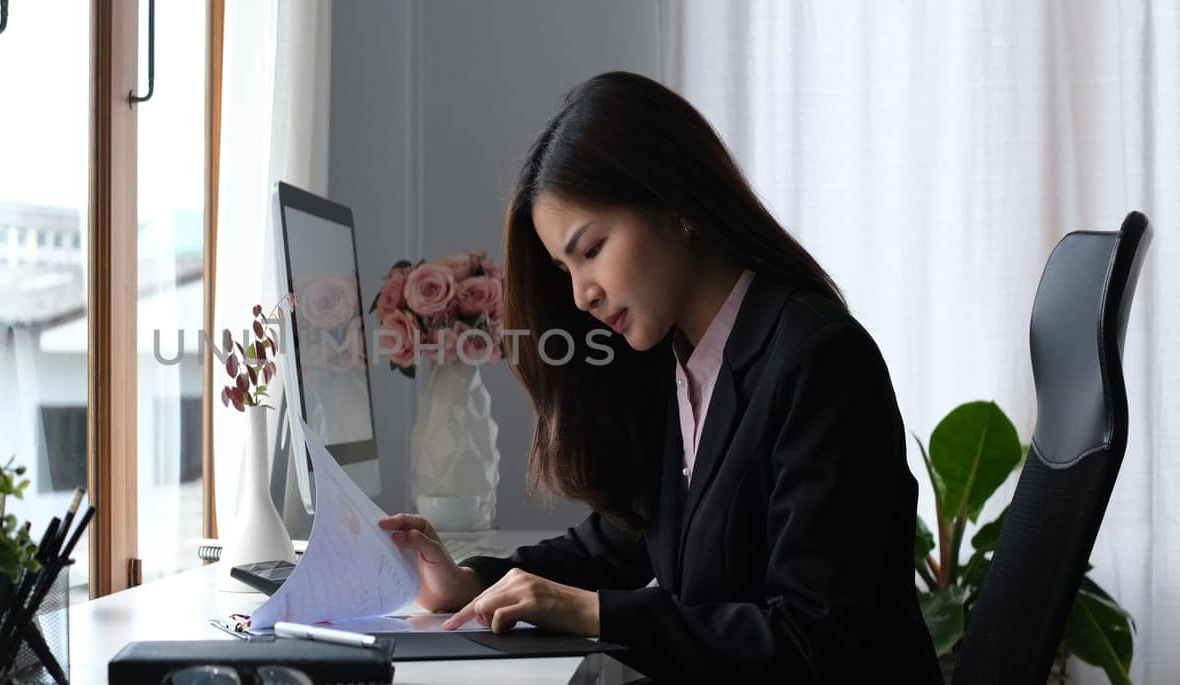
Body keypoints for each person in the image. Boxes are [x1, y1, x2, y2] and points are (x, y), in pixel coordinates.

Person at [379, 71, 942, 682]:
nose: (581, 295)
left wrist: (591, 613)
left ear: (675, 204)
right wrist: (467, 582)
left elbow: (813, 642)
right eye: (566, 268)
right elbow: (620, 542)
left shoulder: (820, 361)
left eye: (591, 250)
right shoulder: (677, 363)